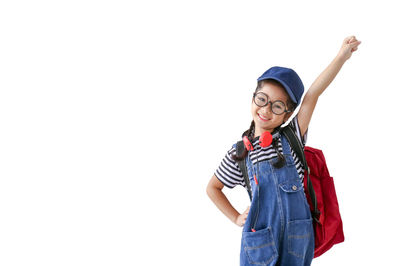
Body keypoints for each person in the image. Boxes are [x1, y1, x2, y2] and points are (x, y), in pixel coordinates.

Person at [206, 36, 361, 266]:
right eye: (262, 99)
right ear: (253, 97)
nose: (266, 109)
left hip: (297, 238)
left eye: (277, 106)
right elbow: (213, 188)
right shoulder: (240, 153)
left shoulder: (291, 137)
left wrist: (341, 57)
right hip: (259, 242)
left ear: (287, 115)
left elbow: (312, 95)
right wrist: (237, 217)